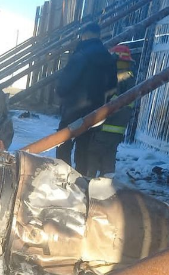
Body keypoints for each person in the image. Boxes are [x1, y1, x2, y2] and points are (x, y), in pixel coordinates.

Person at [55, 23, 117, 175]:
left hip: (73, 110)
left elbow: (65, 84)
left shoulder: (80, 55)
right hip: (95, 112)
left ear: (85, 35)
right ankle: (80, 180)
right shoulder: (109, 58)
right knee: (84, 148)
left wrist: (62, 94)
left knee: (63, 144)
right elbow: (112, 86)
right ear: (99, 35)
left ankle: (62, 178)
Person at [86, 44, 136, 178]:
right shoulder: (130, 78)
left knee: (93, 155)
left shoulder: (119, 78)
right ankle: (105, 187)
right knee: (108, 157)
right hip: (117, 130)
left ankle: (87, 183)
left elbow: (109, 104)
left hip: (105, 126)